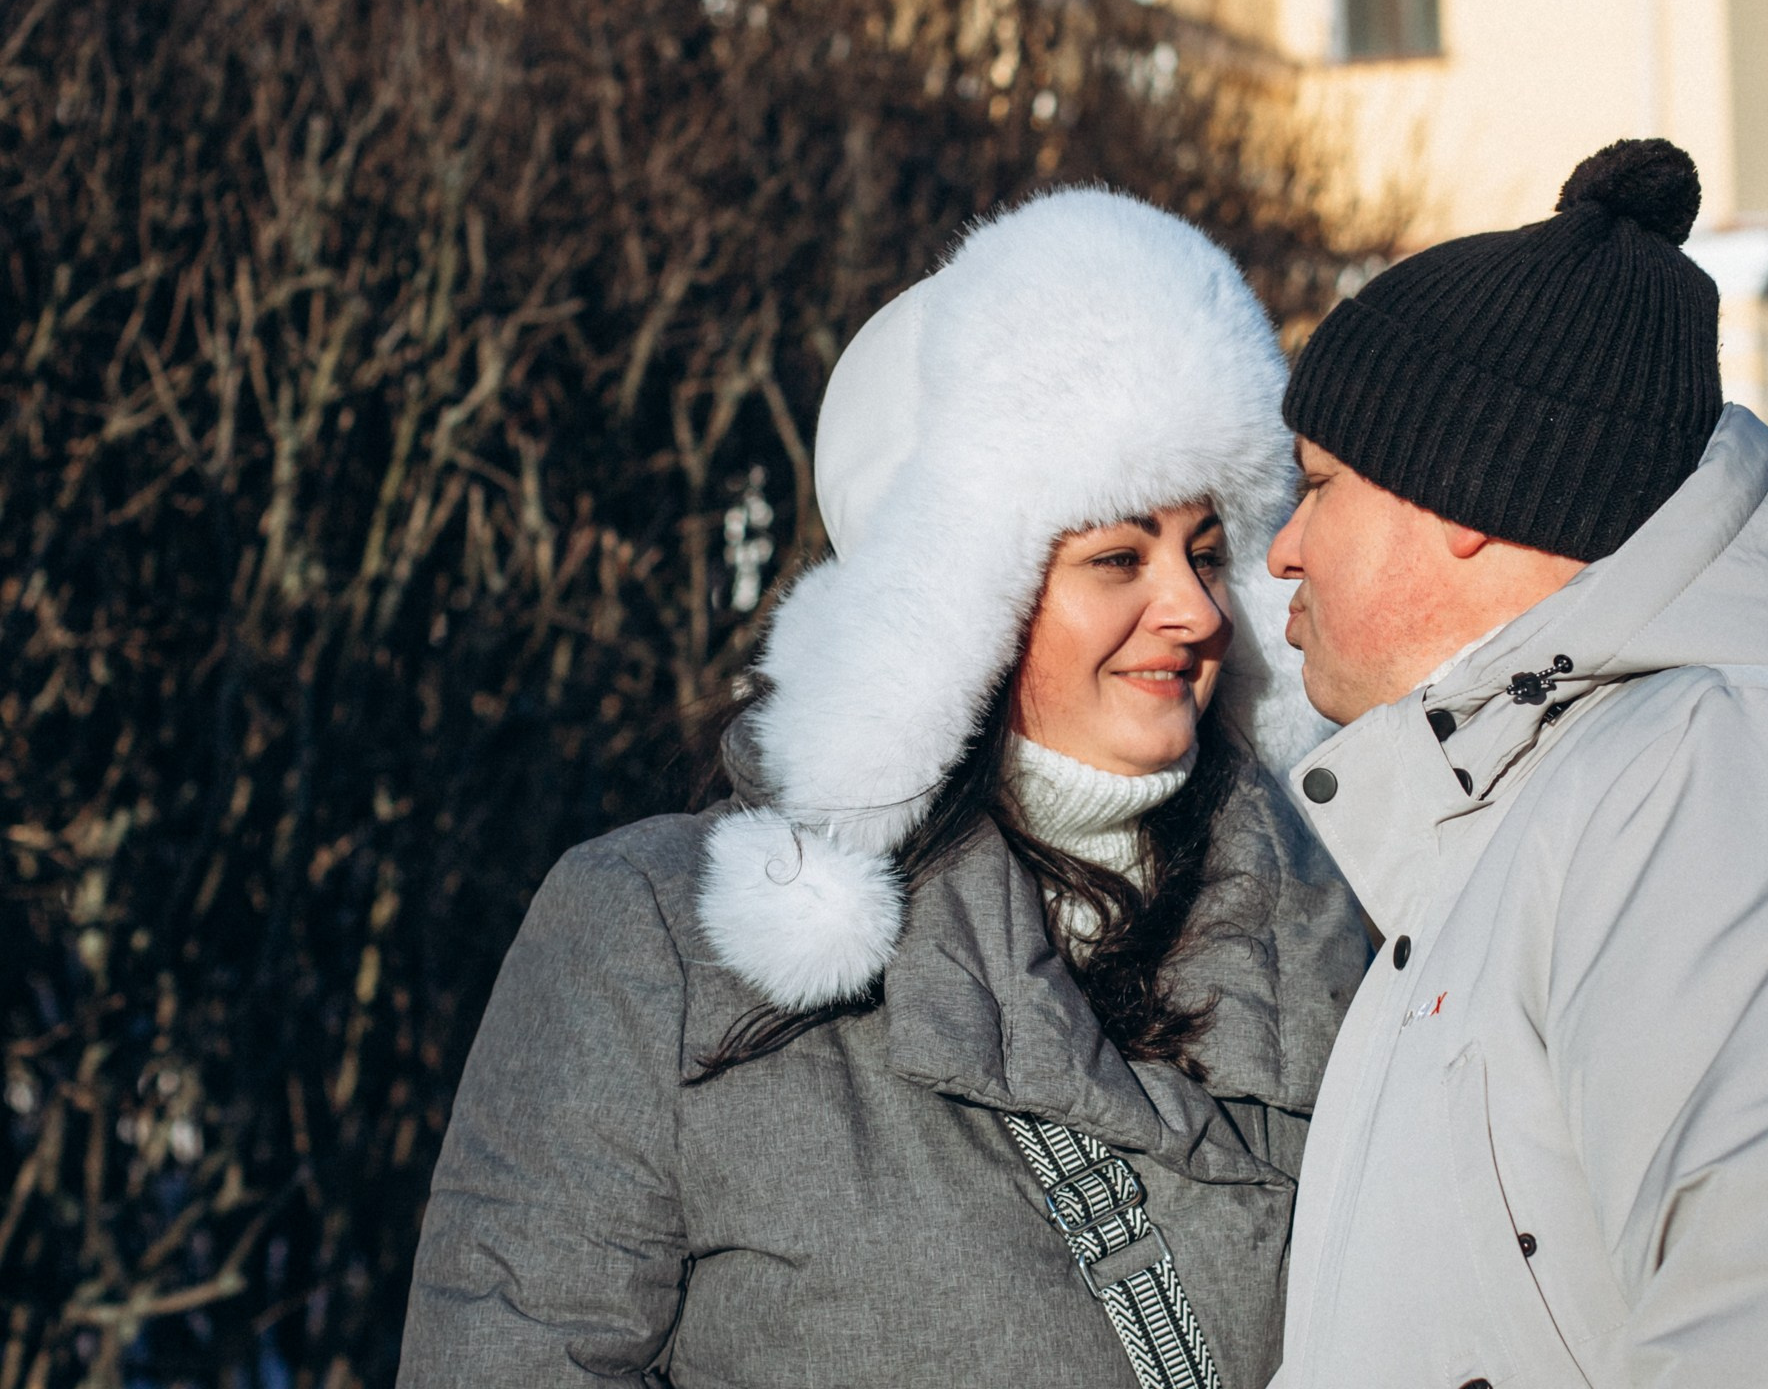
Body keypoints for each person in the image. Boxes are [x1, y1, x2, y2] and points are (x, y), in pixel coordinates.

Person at [399, 189, 1368, 1387]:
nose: (1194, 607)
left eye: (1207, 551)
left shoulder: (1330, 920)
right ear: (951, 601)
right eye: (1119, 557)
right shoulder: (657, 945)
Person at [1263, 140, 1768, 1388]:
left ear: (1464, 497)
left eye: (1319, 486)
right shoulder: (1558, 796)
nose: (1281, 549)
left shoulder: (1746, 792)